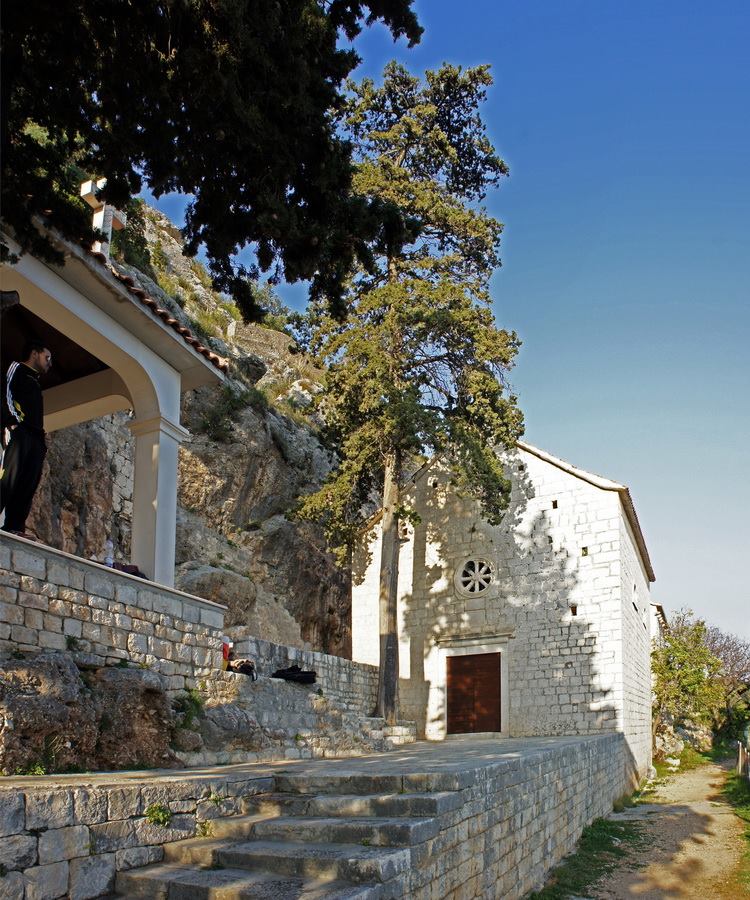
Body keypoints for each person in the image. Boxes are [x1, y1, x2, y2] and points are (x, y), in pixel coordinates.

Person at [0, 339, 52, 538]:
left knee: (28, 483)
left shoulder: (35, 381)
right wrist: (12, 422)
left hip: (35, 438)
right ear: (34, 353)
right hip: (19, 432)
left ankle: (14, 527)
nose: (50, 362)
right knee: (8, 478)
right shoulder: (16, 369)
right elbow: (6, 395)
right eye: (47, 357)